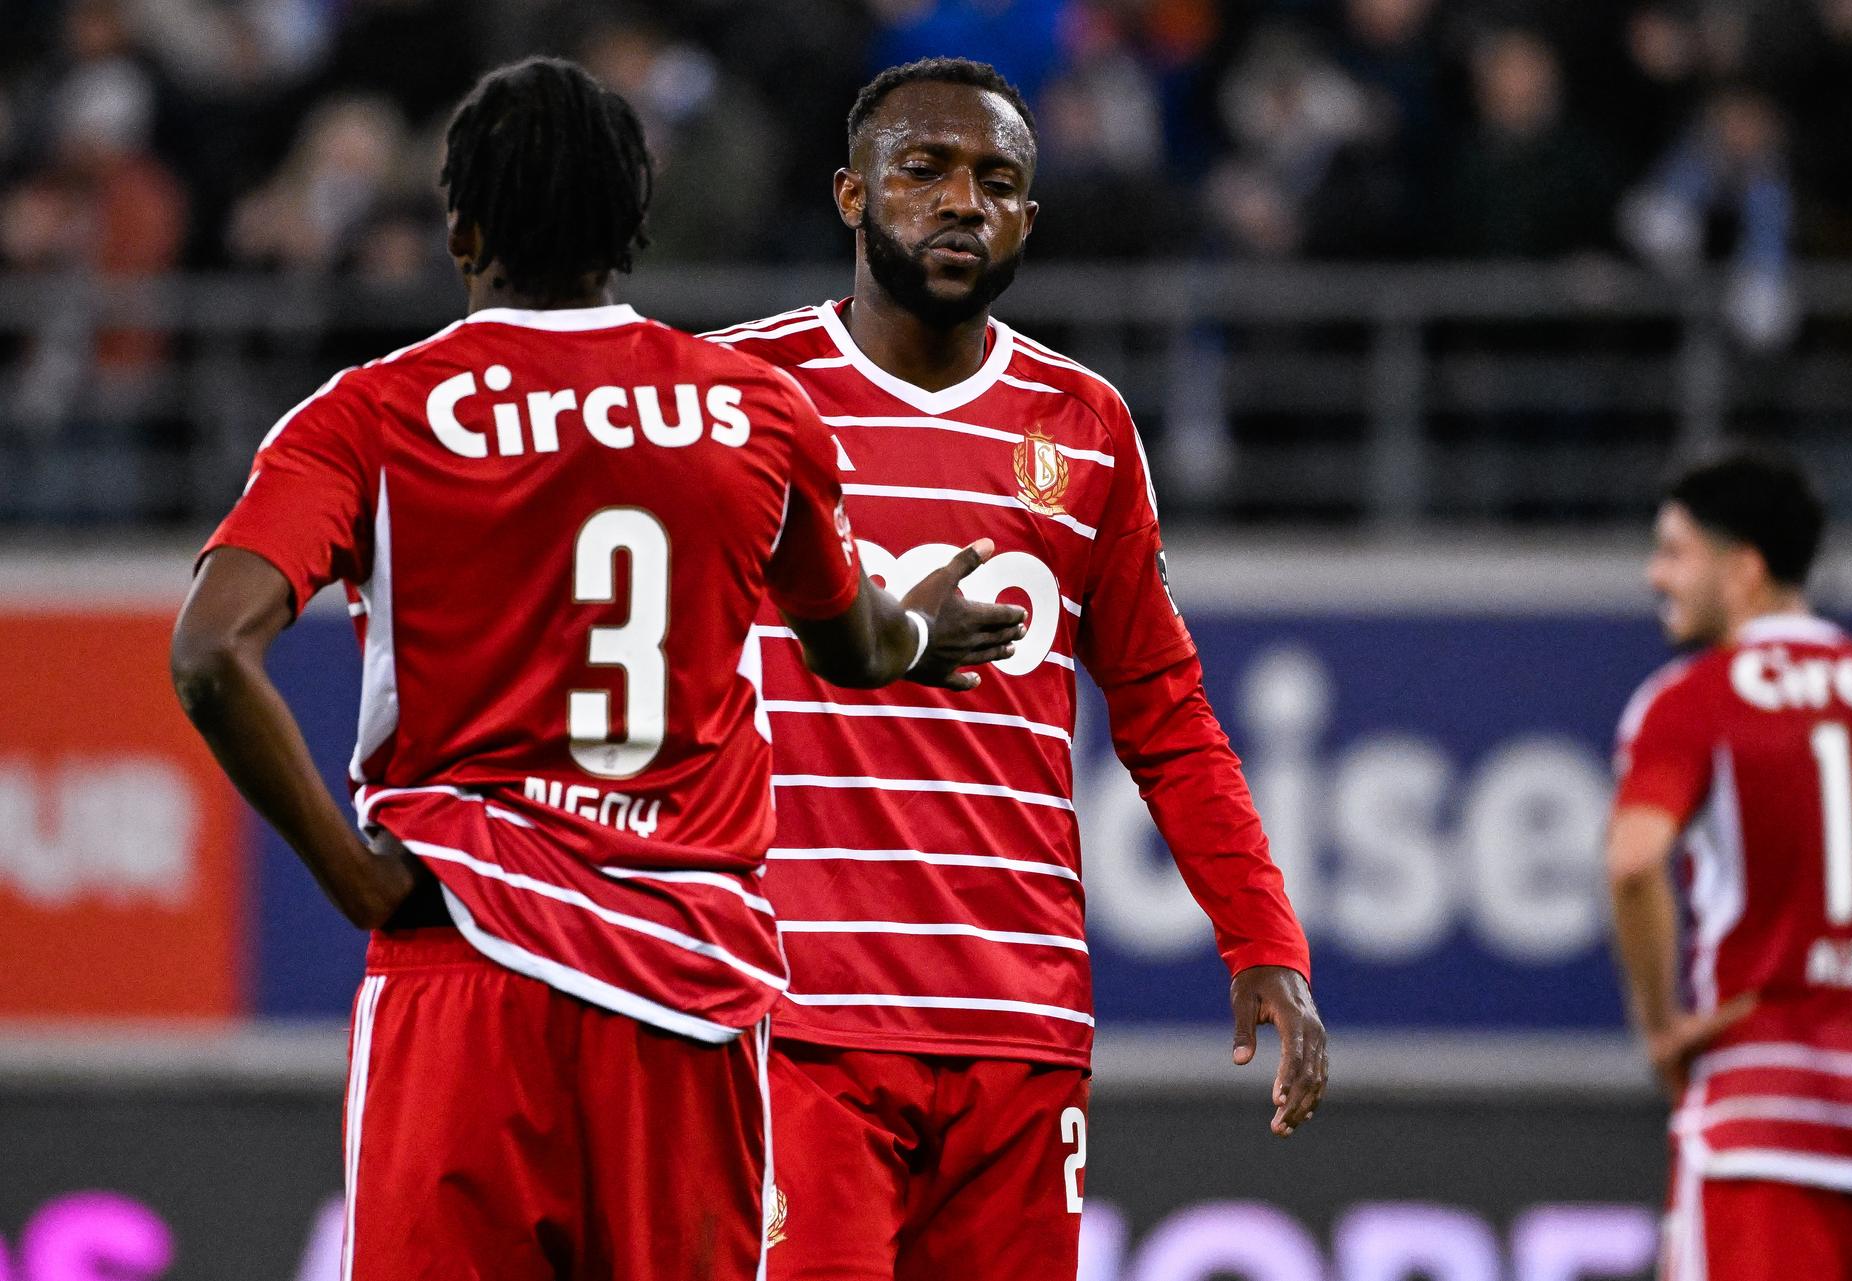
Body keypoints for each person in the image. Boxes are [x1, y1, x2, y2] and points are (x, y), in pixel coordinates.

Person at [169, 57, 1024, 1281]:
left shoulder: (369, 416)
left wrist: (353, 875)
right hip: (688, 995)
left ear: (458, 229)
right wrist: (926, 634)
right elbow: (857, 645)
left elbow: (209, 656)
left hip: (464, 968)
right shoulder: (757, 413)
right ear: (634, 228)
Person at [703, 57, 1325, 1281]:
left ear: (1029, 219)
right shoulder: (737, 393)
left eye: (997, 182)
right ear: (850, 197)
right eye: (923, 171)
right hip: (797, 1013)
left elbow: (1165, 712)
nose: (961, 204)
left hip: (1021, 1028)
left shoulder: (1084, 425)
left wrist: (1265, 943)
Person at [1609, 453, 1852, 1281]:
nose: (1655, 574)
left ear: (1742, 567)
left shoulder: (1695, 697)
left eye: (1675, 551)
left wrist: (1661, 1022)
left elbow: (1635, 863)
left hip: (1765, 1119)